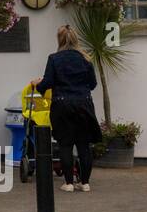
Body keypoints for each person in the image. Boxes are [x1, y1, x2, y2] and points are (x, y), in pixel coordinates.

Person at [30, 24, 102, 192]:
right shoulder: (86, 58)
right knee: (84, 145)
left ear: (59, 40)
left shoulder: (54, 59)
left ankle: (68, 183)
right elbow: (92, 84)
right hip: (83, 104)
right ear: (76, 39)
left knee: (65, 144)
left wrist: (38, 84)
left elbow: (48, 82)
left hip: (62, 105)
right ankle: (85, 183)